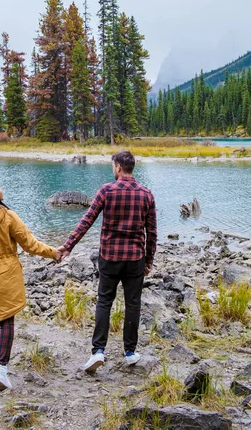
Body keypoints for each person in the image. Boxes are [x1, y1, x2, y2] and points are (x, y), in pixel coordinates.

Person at [57, 150, 157, 372]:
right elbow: (152, 232)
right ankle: (130, 352)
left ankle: (98, 351)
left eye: (113, 166)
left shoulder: (106, 190)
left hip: (110, 257)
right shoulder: (146, 194)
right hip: (135, 259)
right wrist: (149, 261)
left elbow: (87, 221)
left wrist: (68, 246)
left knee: (104, 302)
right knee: (133, 304)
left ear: (119, 167)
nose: (113, 169)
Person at [0, 175, 60, 391]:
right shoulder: (8, 217)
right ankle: (1, 369)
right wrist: (53, 252)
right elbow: (30, 244)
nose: (2, 190)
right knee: (6, 320)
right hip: (6, 277)